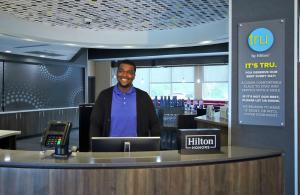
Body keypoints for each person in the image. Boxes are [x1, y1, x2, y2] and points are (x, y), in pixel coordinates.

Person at [90, 60, 160, 137]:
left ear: (134, 76)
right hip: (109, 147)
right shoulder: (104, 96)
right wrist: (95, 146)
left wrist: (155, 146)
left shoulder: (143, 97)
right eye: (121, 71)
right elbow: (95, 124)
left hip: (138, 147)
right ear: (117, 73)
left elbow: (154, 124)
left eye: (129, 72)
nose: (125, 75)